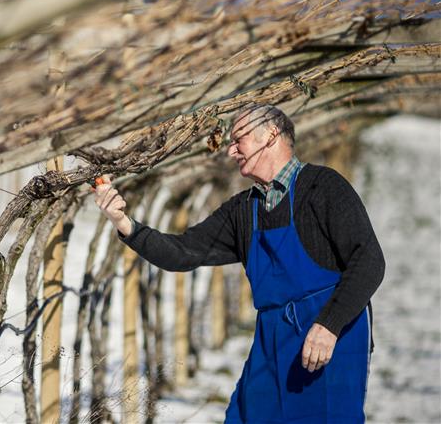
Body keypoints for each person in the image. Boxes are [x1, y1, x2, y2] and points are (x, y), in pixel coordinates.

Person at [94, 103, 384, 423]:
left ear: (270, 135)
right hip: (272, 342)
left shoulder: (323, 187)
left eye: (238, 139)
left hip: (331, 342)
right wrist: (125, 224)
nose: (231, 151)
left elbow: (369, 260)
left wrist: (329, 325)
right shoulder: (243, 211)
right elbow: (183, 251)